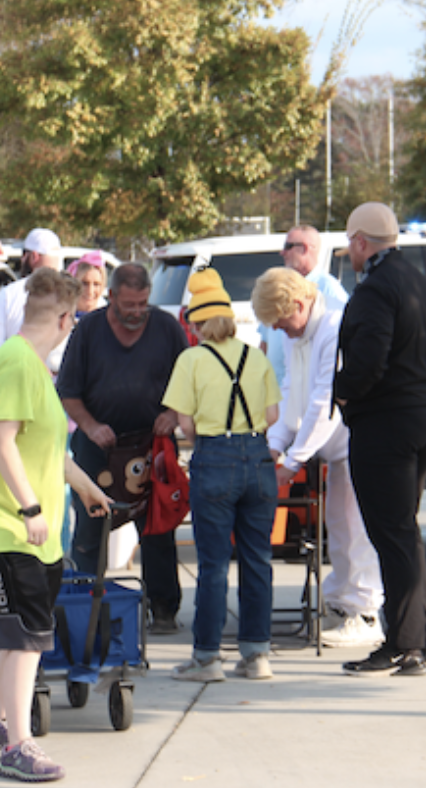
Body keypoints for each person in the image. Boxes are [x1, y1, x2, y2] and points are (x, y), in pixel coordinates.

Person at [0, 268, 111, 782]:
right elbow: (2, 441)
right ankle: (18, 747)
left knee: (18, 636)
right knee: (25, 639)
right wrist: (29, 508)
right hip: (5, 528)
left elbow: (48, 451)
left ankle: (0, 721)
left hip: (25, 532)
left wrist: (87, 487)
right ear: (67, 319)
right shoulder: (19, 366)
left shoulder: (33, 369)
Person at [334, 202, 426, 677]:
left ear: (361, 241)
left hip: (385, 422)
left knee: (389, 533)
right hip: (423, 416)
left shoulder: (376, 288)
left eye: (350, 245)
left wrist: (342, 393)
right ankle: (422, 632)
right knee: (404, 530)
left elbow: (369, 359)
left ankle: (404, 645)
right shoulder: (422, 281)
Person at [251, 267, 385, 649]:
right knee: (339, 527)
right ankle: (343, 603)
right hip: (336, 449)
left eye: (280, 321)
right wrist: (275, 445)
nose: (278, 330)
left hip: (358, 442)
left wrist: (292, 460)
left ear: (298, 303)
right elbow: (294, 391)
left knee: (356, 530)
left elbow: (325, 403)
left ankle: (367, 613)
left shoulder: (334, 329)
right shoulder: (301, 334)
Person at [162, 269, 281, 682]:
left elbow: (187, 427)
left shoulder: (191, 359)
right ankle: (256, 654)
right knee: (258, 560)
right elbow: (272, 416)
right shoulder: (256, 356)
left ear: (196, 323)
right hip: (259, 459)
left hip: (214, 459)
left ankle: (208, 659)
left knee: (212, 564)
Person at [57, 263, 188, 634]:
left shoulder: (166, 327)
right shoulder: (89, 332)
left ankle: (163, 608)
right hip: (99, 447)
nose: (135, 312)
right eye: (128, 304)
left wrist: (173, 413)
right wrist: (91, 425)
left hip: (152, 444)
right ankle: (86, 609)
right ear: (110, 296)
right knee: (90, 529)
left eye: (142, 303)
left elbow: (190, 380)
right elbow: (68, 392)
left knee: (157, 528)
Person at [258, 225, 349, 387]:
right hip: (279, 391)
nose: (282, 252)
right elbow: (265, 342)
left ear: (305, 248)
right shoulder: (277, 287)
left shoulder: (329, 289)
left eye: (288, 246)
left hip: (310, 392)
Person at [0, 228, 64, 370]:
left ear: (34, 257)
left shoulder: (10, 293)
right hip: (60, 384)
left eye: (23, 254)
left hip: (16, 381)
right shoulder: (70, 293)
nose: (21, 259)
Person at [67, 251, 108, 317]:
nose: (90, 291)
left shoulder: (109, 321)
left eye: (96, 284)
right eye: (85, 283)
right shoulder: (59, 318)